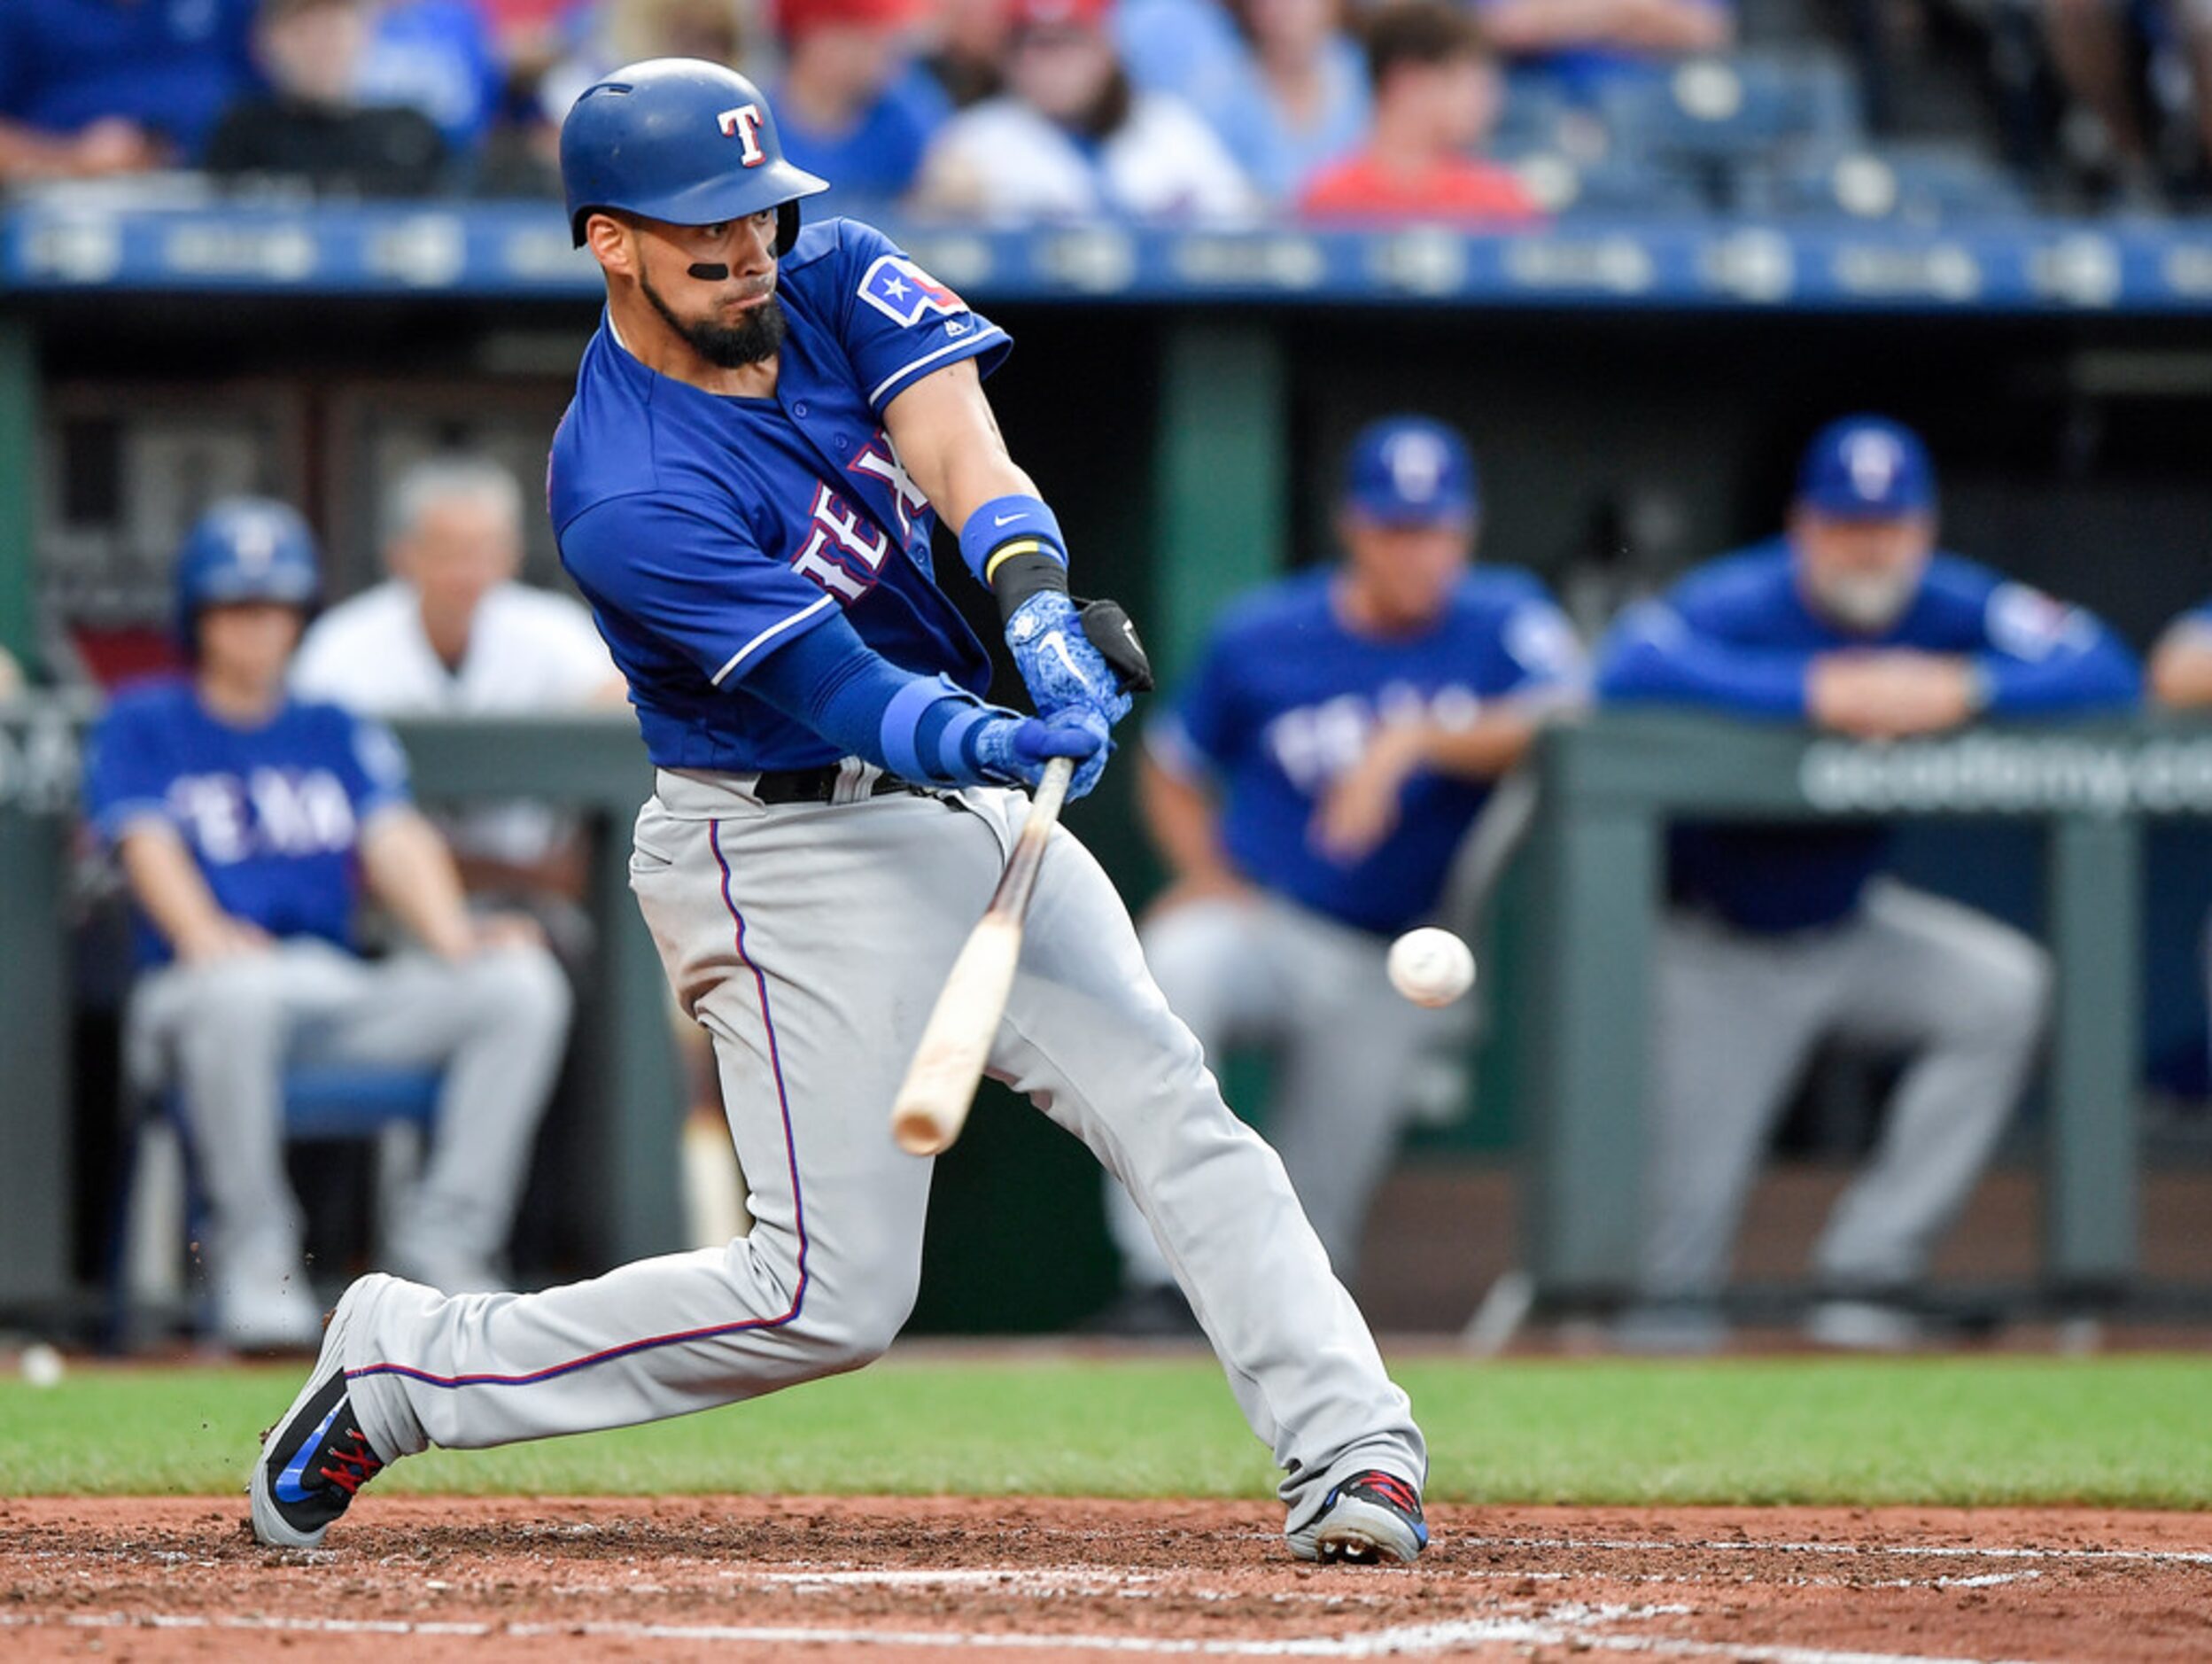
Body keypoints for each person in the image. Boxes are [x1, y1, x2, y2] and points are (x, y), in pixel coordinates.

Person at [249, 58, 1428, 1568]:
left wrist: (1035, 599)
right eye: (704, 235)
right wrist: (989, 729)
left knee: (1176, 1112)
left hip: (963, 810)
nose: (747, 253)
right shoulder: (620, 485)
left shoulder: (831, 267)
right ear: (610, 241)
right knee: (827, 1296)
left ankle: (1350, 1448)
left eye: (758, 215)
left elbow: (958, 446)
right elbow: (836, 687)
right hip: (779, 844)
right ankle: (408, 1363)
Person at [1596, 415, 2141, 1352]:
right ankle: (1651, 1458)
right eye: (1847, 524)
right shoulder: (1741, 597)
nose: (1868, 545)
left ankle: (1868, 1273)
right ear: (1804, 526)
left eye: (1888, 525)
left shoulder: (1948, 602)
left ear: (1922, 530)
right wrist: (1815, 689)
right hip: (1718, 945)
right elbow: (1624, 664)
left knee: (2002, 991)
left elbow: (2103, 664)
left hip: (1850, 928)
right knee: (1670, 1275)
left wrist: (1966, 690)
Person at [1096, 416, 1586, 1334]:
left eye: (1437, 529)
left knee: (1316, 1230)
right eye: (1398, 530)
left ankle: (1274, 1334)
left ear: (1465, 531)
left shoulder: (1502, 616)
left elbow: (1569, 721)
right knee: (1172, 964)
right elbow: (1171, 764)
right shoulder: (1267, 631)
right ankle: (1156, 1281)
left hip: (1388, 950)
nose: (1419, 553)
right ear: (1355, 529)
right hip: (1266, 922)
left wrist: (1415, 740)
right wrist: (1205, 871)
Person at [85, 501, 572, 1350]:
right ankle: (255, 1263)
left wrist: (453, 933)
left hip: (327, 984)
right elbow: (145, 843)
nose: (259, 629)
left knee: (518, 986)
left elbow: (394, 837)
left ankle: (446, 1245)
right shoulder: (146, 718)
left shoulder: (329, 722)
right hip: (193, 995)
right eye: (237, 608)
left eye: (276, 608)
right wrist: (202, 929)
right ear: (198, 617)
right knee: (236, 991)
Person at [291, 454, 623, 906]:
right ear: (401, 554)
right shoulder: (342, 646)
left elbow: (627, 710)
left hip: (530, 898)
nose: (468, 571)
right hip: (386, 904)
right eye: (448, 551)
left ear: (512, 555)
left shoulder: (552, 631)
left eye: (486, 550)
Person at [910, 0, 1259, 221]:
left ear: (1106, 50)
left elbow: (1244, 217)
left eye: (1069, 42)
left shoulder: (1168, 127)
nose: (1053, 65)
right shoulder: (974, 140)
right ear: (1008, 59)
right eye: (1037, 45)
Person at [1296, 0, 1542, 225]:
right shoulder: (1331, 200)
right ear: (1407, 82)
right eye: (1463, 82)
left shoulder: (1498, 200)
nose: (1485, 101)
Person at [204, 0, 450, 198]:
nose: (321, 46)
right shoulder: (242, 133)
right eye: (304, 31)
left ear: (363, 34)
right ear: (268, 41)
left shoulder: (409, 134)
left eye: (333, 28)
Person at [0, 0, 259, 181]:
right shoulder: (22, 9)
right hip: (68, 210)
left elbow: (276, 97)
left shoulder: (228, 8)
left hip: (228, 199)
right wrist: (70, 158)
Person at [772, 0, 951, 207]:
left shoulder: (902, 109)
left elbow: (948, 178)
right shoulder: (753, 125)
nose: (889, 50)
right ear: (816, 37)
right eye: (869, 35)